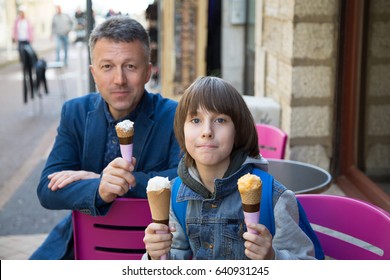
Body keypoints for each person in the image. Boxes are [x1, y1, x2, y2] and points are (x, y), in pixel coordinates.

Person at [30, 16, 180, 260]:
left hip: (155, 247)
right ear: (94, 73)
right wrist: (99, 187)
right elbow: (48, 189)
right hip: (83, 241)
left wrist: (111, 181)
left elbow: (185, 181)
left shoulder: (174, 115)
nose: (119, 79)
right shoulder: (75, 112)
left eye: (130, 66)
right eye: (107, 66)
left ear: (148, 72)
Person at [143, 76, 317, 260]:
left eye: (220, 120)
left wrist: (273, 258)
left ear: (238, 130)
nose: (207, 131)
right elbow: (174, 258)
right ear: (181, 129)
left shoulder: (274, 198)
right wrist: (155, 256)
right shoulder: (175, 196)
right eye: (195, 120)